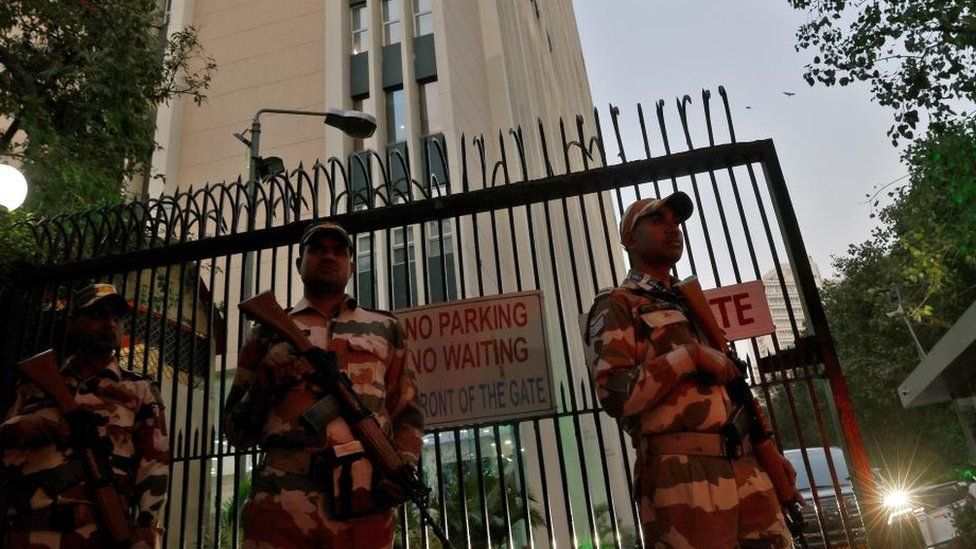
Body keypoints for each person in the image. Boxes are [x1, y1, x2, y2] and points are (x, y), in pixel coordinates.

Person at [585, 192, 794, 548]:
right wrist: (689, 356)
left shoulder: (690, 303)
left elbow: (733, 389)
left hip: (746, 467)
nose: (672, 228)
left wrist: (768, 449)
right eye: (657, 220)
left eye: (676, 222)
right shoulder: (618, 305)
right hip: (681, 477)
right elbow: (615, 394)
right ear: (628, 238)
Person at [224, 221, 424, 548]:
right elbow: (235, 432)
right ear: (299, 264)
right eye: (317, 249)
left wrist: (401, 466)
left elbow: (408, 413)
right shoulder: (267, 330)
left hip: (363, 506)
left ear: (350, 264)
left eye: (338, 251)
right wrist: (263, 386)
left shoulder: (385, 328)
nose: (328, 257)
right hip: (282, 507)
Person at [0, 283, 170, 548]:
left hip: (96, 534)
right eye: (97, 315)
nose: (109, 323)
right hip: (26, 534)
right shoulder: (35, 386)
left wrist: (147, 527)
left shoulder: (139, 390)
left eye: (116, 317)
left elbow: (155, 464)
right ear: (71, 324)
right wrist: (25, 428)